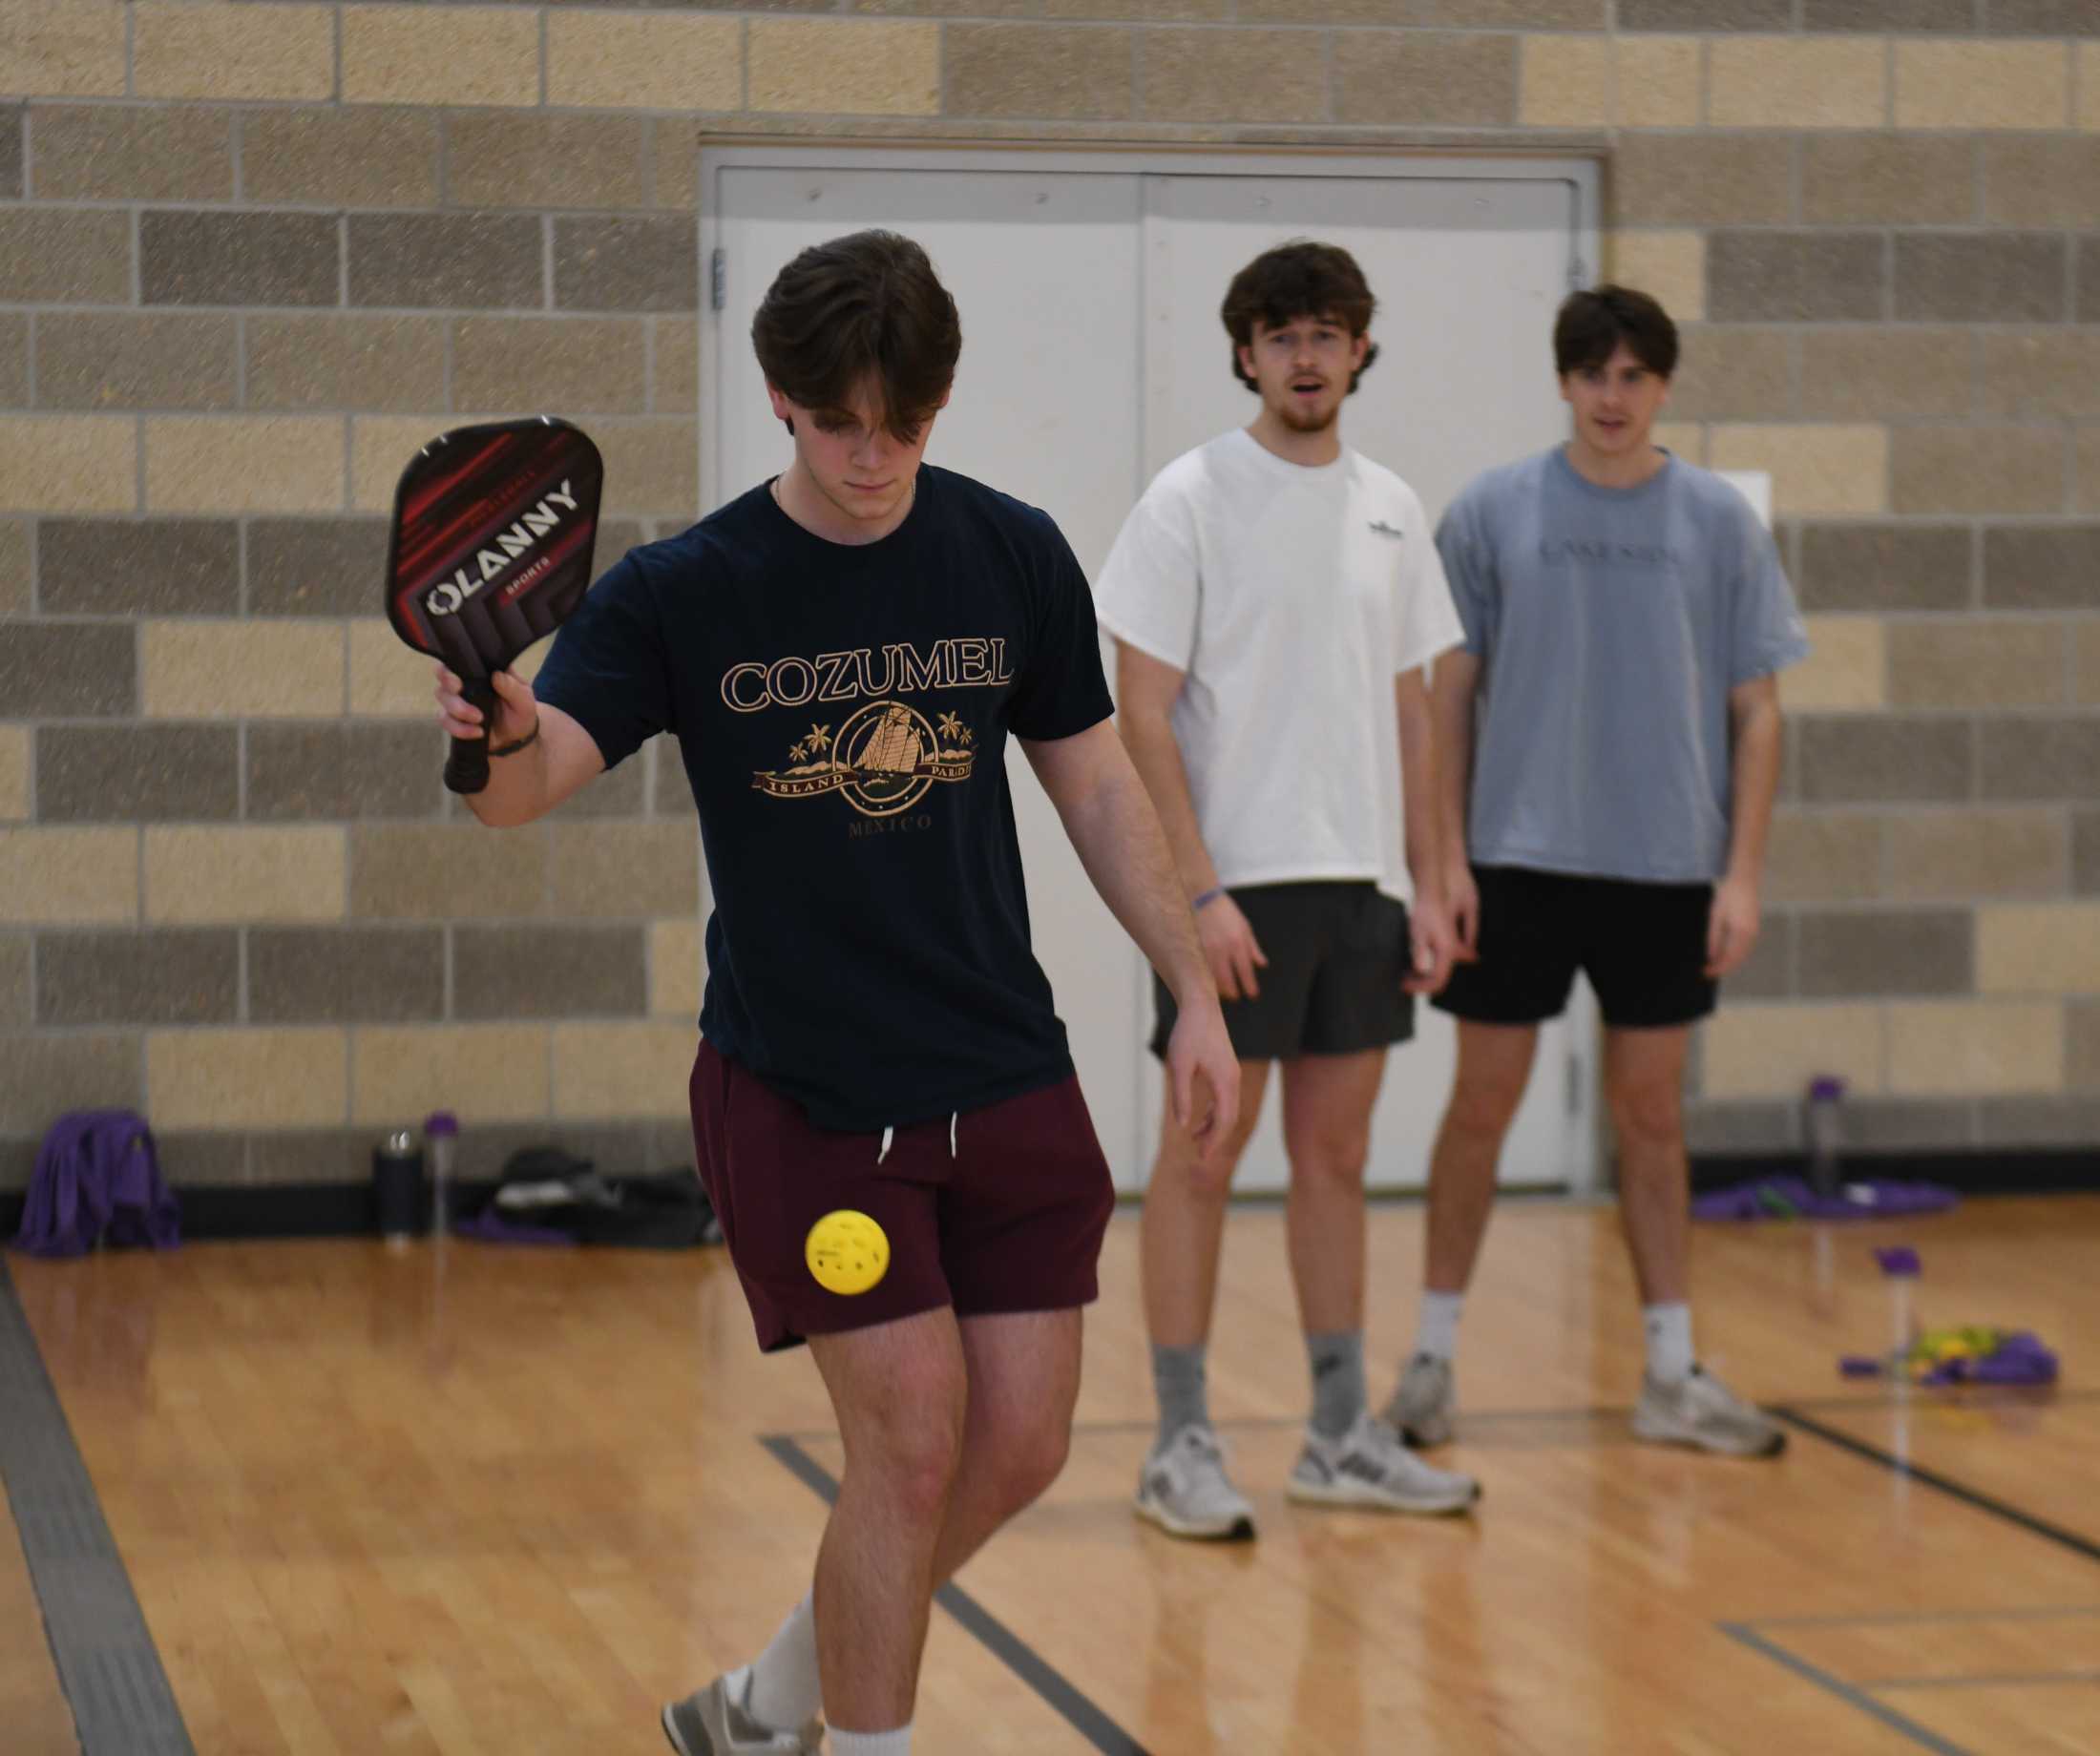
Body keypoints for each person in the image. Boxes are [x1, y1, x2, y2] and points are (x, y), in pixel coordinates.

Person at [434, 229, 1238, 1756]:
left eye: (906, 426)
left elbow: (1098, 792)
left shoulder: (1009, 553)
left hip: (1003, 1065)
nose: (874, 459)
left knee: (1025, 1442)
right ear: (778, 400)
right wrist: (493, 728)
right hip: (805, 1087)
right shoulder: (690, 589)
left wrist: (1190, 985)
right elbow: (521, 791)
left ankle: (763, 1706)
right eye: (838, 424)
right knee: (914, 1444)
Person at [1094, 240, 1480, 1542]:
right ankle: (1179, 1444)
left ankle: (1335, 1436)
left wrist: (1433, 878)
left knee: (1340, 1158)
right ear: (1246, 351)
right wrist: (1196, 893)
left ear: (1361, 347)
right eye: (1281, 334)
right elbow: (1139, 711)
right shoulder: (1190, 496)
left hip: (1361, 889)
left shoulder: (1390, 505)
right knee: (1201, 1158)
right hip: (1234, 897)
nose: (1306, 355)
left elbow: (1413, 704)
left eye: (1328, 332)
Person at [1383, 283, 1808, 1461]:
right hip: (1515, 861)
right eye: (1590, 374)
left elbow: (1758, 713)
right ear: (1563, 382)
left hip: (1668, 866)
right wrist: (1446, 857)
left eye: (1632, 375)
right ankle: (1428, 1361)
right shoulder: (1494, 510)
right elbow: (1448, 695)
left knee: (1651, 1116)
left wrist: (1740, 876)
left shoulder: (1719, 521)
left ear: (1662, 384)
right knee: (1481, 1107)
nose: (1610, 396)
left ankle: (1670, 1371)